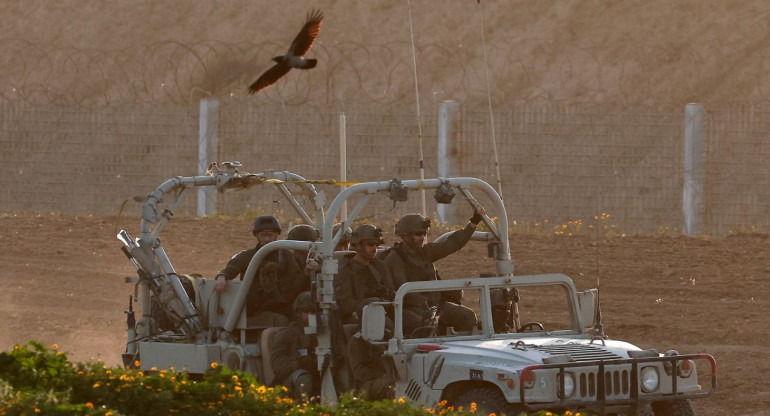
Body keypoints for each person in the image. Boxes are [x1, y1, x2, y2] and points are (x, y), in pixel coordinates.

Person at [382, 209, 484, 337]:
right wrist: (429, 310)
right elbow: (403, 292)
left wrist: (473, 223)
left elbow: (452, 244)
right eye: (418, 234)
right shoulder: (394, 259)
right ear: (405, 235)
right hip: (408, 309)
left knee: (467, 317)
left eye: (424, 234)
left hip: (434, 307)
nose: (422, 238)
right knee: (424, 325)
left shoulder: (425, 252)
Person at [213, 215, 290, 325]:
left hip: (280, 305)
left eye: (270, 235)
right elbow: (232, 268)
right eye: (263, 235)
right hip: (255, 309)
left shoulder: (286, 256)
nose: (267, 239)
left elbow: (297, 276)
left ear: (277, 235)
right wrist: (222, 276)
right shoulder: (248, 256)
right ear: (257, 236)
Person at [334, 224, 395, 325]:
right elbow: (345, 302)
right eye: (370, 244)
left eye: (377, 245)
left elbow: (390, 290)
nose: (374, 248)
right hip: (359, 317)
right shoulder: (345, 270)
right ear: (358, 245)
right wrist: (368, 305)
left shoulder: (380, 266)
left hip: (384, 311)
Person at [268, 291, 319, 400]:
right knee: (304, 379)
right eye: (306, 311)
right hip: (291, 382)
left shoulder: (321, 334)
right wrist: (299, 363)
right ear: (298, 313)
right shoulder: (287, 334)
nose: (310, 315)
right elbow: (277, 364)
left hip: (317, 376)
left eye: (313, 311)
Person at [347, 333, 395, 401]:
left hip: (389, 377)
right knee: (392, 386)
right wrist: (381, 375)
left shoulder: (387, 334)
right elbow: (358, 371)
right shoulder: (357, 341)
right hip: (366, 384)